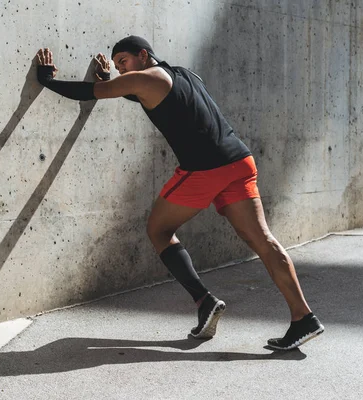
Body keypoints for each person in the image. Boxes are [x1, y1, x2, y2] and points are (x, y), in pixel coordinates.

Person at [35, 36, 324, 350]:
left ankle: (204, 302)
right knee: (264, 241)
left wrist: (48, 80)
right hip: (239, 162)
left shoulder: (148, 77)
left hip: (204, 169)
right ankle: (303, 318)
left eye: (124, 62)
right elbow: (142, 94)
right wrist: (113, 80)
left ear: (143, 55)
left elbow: (89, 92)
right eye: (117, 66)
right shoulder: (185, 76)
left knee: (158, 230)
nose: (120, 71)